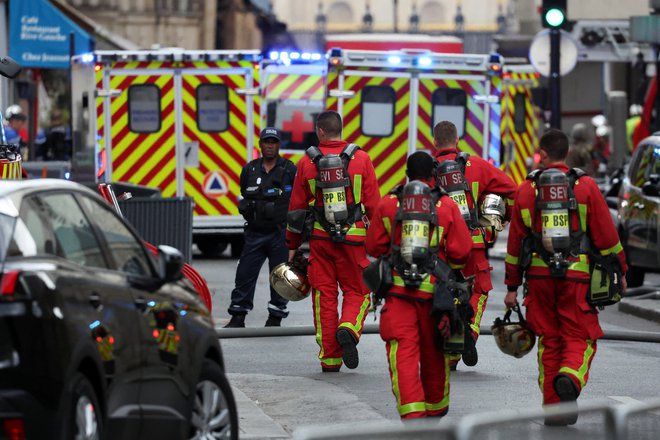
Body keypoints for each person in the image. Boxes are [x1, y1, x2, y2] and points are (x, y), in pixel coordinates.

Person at [504, 128, 627, 425]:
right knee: (580, 336)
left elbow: (515, 243)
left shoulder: (526, 189)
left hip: (538, 279)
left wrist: (511, 286)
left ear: (543, 154)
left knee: (549, 341)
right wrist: (621, 270)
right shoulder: (585, 187)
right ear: (567, 152)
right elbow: (607, 236)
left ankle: (554, 411)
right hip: (576, 277)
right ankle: (570, 378)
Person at [366, 151, 472, 420]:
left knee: (403, 352)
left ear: (407, 174)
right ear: (433, 177)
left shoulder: (389, 203)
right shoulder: (446, 205)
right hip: (435, 295)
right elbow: (461, 253)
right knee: (435, 352)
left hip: (398, 294)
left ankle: (412, 416)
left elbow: (374, 246)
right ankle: (435, 409)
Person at [286, 110, 380, 372]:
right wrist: (381, 244)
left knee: (324, 297)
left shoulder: (307, 162)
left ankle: (330, 358)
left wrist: (292, 248)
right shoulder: (361, 159)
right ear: (341, 129)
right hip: (354, 240)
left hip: (320, 240)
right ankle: (348, 327)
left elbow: (295, 210)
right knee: (359, 291)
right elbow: (374, 206)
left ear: (320, 131)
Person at [431, 121, 517, 369]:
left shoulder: (429, 171)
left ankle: (451, 354)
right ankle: (468, 331)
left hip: (439, 248)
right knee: (477, 290)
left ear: (435, 143)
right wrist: (502, 216)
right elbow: (511, 189)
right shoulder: (476, 165)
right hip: (472, 244)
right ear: (457, 140)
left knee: (444, 293)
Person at [224, 127, 297, 328]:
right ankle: (238, 316)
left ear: (279, 145)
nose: (270, 145)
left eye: (273, 142)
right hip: (255, 233)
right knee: (245, 275)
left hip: (280, 233)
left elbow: (300, 200)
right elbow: (244, 194)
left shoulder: (290, 170)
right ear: (260, 144)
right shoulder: (249, 169)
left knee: (280, 277)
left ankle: (275, 318)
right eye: (266, 142)